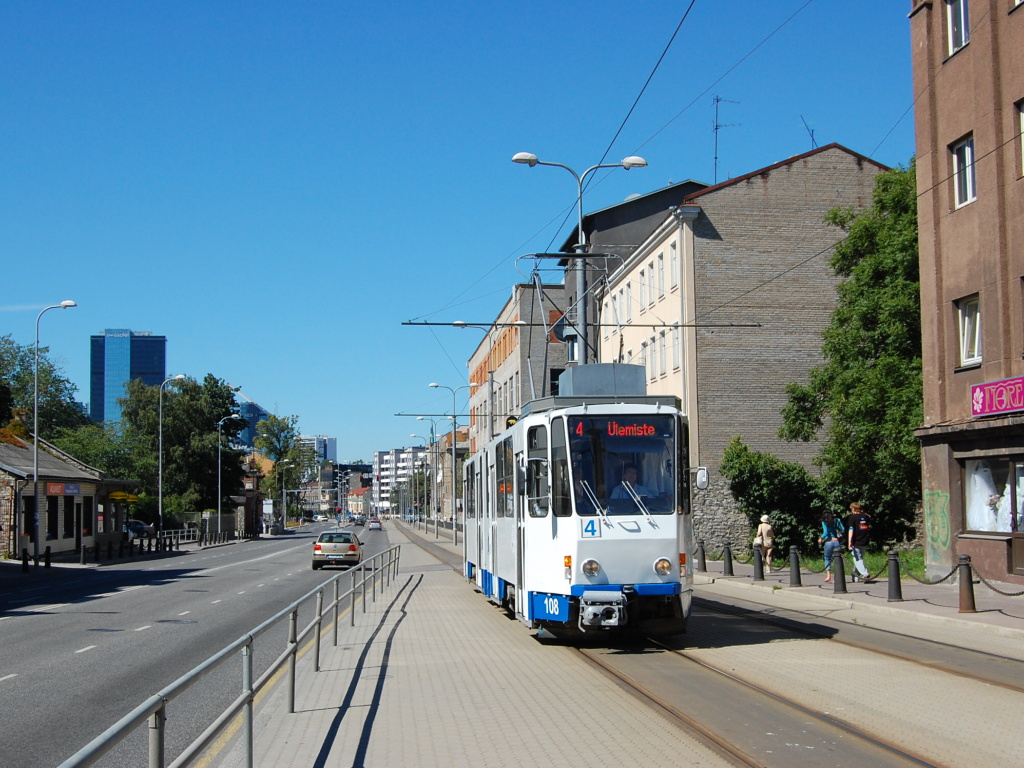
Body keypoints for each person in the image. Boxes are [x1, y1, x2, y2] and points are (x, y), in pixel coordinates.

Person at [845, 501, 872, 582]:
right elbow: (868, 517)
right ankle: (855, 577)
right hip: (865, 540)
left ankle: (865, 573)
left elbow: (851, 530)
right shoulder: (866, 517)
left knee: (857, 559)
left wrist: (849, 542)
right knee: (859, 558)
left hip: (856, 541)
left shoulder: (852, 518)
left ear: (853, 509)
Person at [820, 511, 844, 583]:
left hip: (829, 541)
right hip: (836, 541)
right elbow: (843, 529)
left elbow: (826, 532)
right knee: (837, 559)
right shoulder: (837, 520)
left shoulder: (824, 522)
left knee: (827, 558)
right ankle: (836, 577)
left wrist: (821, 538)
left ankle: (828, 576)